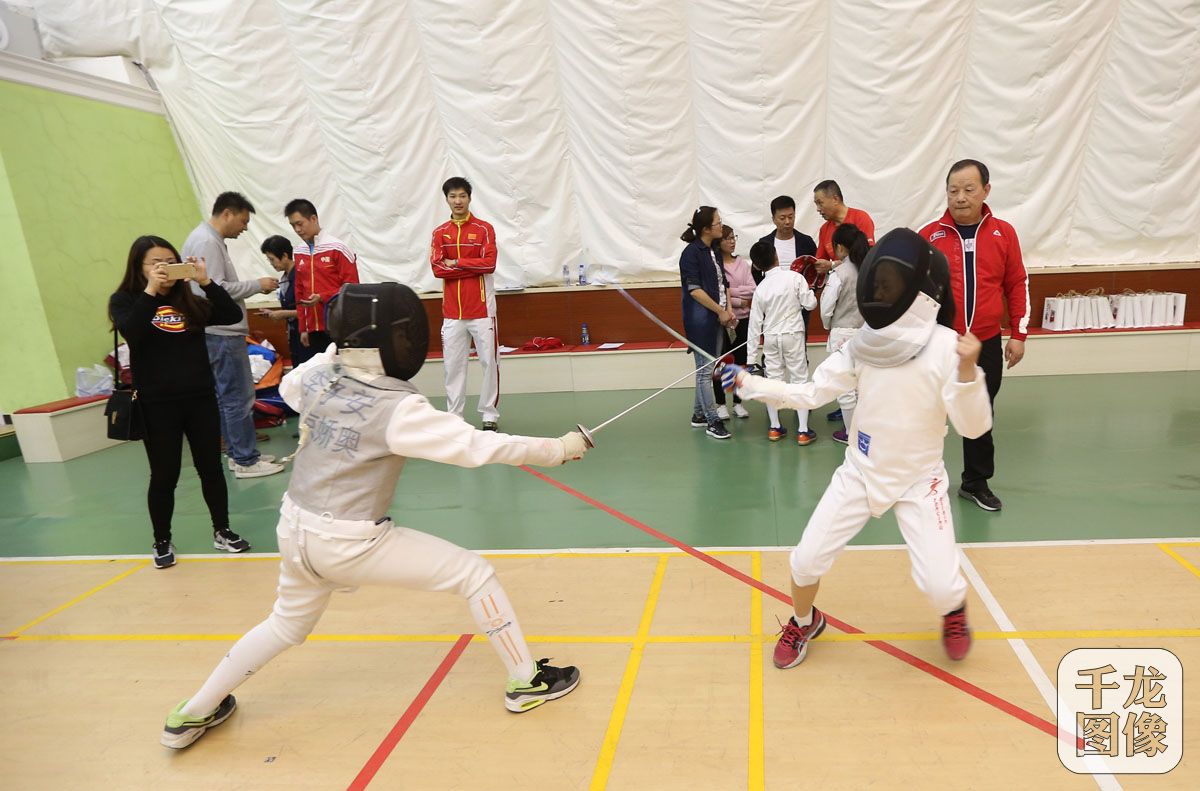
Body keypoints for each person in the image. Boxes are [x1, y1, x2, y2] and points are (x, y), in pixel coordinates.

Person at [159, 283, 586, 749]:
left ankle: (192, 713)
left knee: (284, 625)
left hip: (294, 529)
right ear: (391, 341)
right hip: (347, 541)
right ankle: (525, 682)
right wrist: (557, 449)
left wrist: (331, 353)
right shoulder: (397, 408)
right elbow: (476, 445)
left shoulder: (318, 379)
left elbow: (289, 386)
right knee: (474, 573)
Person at [722, 228, 992, 669]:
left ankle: (954, 611)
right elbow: (810, 393)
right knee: (805, 561)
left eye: (890, 285)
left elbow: (974, 426)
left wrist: (966, 372)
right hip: (860, 473)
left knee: (942, 587)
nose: (881, 291)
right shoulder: (862, 347)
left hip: (920, 482)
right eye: (879, 284)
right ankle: (805, 620)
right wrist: (749, 384)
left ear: (918, 291)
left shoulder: (947, 349)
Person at [108, 236, 254, 569]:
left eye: (169, 261)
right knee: (164, 475)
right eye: (155, 262)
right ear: (139, 267)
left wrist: (205, 280)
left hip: (200, 399)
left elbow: (230, 314)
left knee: (211, 470)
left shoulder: (188, 300)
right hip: (157, 404)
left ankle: (222, 530)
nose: (164, 268)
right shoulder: (125, 300)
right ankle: (162, 540)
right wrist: (150, 291)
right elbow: (133, 331)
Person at [920, 159, 1029, 512]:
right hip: (938, 344)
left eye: (969, 189)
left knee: (981, 410)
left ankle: (975, 482)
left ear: (986, 190)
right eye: (953, 190)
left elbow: (1016, 283)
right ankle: (923, 477)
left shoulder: (1004, 233)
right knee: (929, 410)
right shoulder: (929, 235)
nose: (960, 197)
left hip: (985, 344)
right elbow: (914, 291)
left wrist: (1019, 334)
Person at [181, 192, 283, 479]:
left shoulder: (208, 240)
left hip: (219, 332)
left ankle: (239, 454)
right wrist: (257, 285)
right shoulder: (206, 241)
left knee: (229, 397)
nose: (245, 227)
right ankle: (246, 460)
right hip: (221, 333)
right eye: (243, 220)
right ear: (227, 213)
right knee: (237, 397)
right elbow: (213, 289)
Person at [430, 177, 501, 430]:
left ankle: (489, 415)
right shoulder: (439, 233)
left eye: (462, 195)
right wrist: (471, 266)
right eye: (452, 196)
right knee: (452, 367)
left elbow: (490, 265)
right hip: (452, 313)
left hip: (482, 310)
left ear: (469, 198)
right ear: (446, 199)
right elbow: (438, 269)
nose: (458, 201)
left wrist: (457, 262)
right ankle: (454, 417)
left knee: (489, 363)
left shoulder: (484, 229)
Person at [746, 240, 818, 444]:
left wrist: (751, 359)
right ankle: (803, 431)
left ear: (758, 266)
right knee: (800, 380)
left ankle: (775, 428)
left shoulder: (761, 289)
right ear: (776, 254)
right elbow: (810, 304)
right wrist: (811, 289)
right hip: (793, 334)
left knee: (773, 382)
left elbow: (754, 326)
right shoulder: (795, 278)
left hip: (770, 338)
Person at [679, 206, 736, 439]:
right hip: (701, 321)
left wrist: (729, 310)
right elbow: (695, 291)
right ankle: (713, 421)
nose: (721, 227)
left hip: (718, 317)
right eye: (717, 223)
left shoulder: (713, 249)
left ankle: (698, 415)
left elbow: (724, 284)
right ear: (705, 229)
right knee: (705, 371)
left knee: (707, 368)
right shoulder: (691, 254)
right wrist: (720, 311)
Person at [286, 198, 360, 356]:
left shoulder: (338, 248)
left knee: (342, 375)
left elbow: (352, 289)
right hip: (313, 329)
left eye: (300, 224)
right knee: (318, 376)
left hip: (338, 327)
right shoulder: (299, 252)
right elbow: (299, 291)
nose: (297, 230)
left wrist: (322, 297)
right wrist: (303, 328)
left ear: (313, 219)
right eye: (293, 226)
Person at [819, 223, 868, 444]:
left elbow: (826, 307)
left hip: (843, 333)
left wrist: (829, 325)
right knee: (862, 386)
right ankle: (864, 434)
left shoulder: (839, 273)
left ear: (840, 248)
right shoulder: (868, 269)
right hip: (866, 333)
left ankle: (851, 434)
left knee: (845, 387)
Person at [714, 225, 753, 421]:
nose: (732, 241)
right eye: (727, 238)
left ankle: (738, 403)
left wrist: (732, 291)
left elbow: (752, 289)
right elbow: (720, 291)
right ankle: (720, 404)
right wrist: (738, 299)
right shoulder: (715, 264)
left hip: (743, 320)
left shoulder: (743, 264)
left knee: (740, 362)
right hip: (723, 320)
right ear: (718, 242)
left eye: (733, 237)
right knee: (721, 363)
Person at [258, 235, 304, 367]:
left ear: (284, 256)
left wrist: (282, 314)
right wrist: (274, 313)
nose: (272, 264)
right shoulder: (285, 278)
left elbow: (309, 310)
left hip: (305, 334)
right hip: (294, 334)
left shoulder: (300, 276)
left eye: (272, 259)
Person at [813, 180, 876, 270]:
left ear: (835, 199)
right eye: (816, 204)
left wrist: (833, 264)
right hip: (838, 281)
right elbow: (821, 262)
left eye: (820, 203)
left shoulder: (860, 218)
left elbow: (866, 255)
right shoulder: (824, 229)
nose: (818, 209)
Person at [755, 195, 817, 286]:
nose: (787, 222)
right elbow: (756, 273)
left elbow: (817, 269)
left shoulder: (806, 242)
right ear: (774, 219)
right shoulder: (765, 243)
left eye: (791, 217)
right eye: (782, 218)